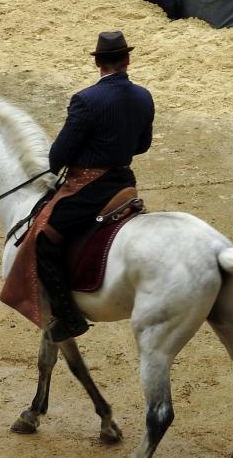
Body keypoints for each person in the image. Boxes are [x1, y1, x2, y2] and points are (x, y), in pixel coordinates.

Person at [35, 31, 153, 342]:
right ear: (127, 59)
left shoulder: (86, 100)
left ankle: (70, 318)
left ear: (98, 62)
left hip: (91, 188)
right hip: (124, 182)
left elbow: (57, 158)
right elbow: (142, 145)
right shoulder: (143, 96)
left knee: (45, 237)